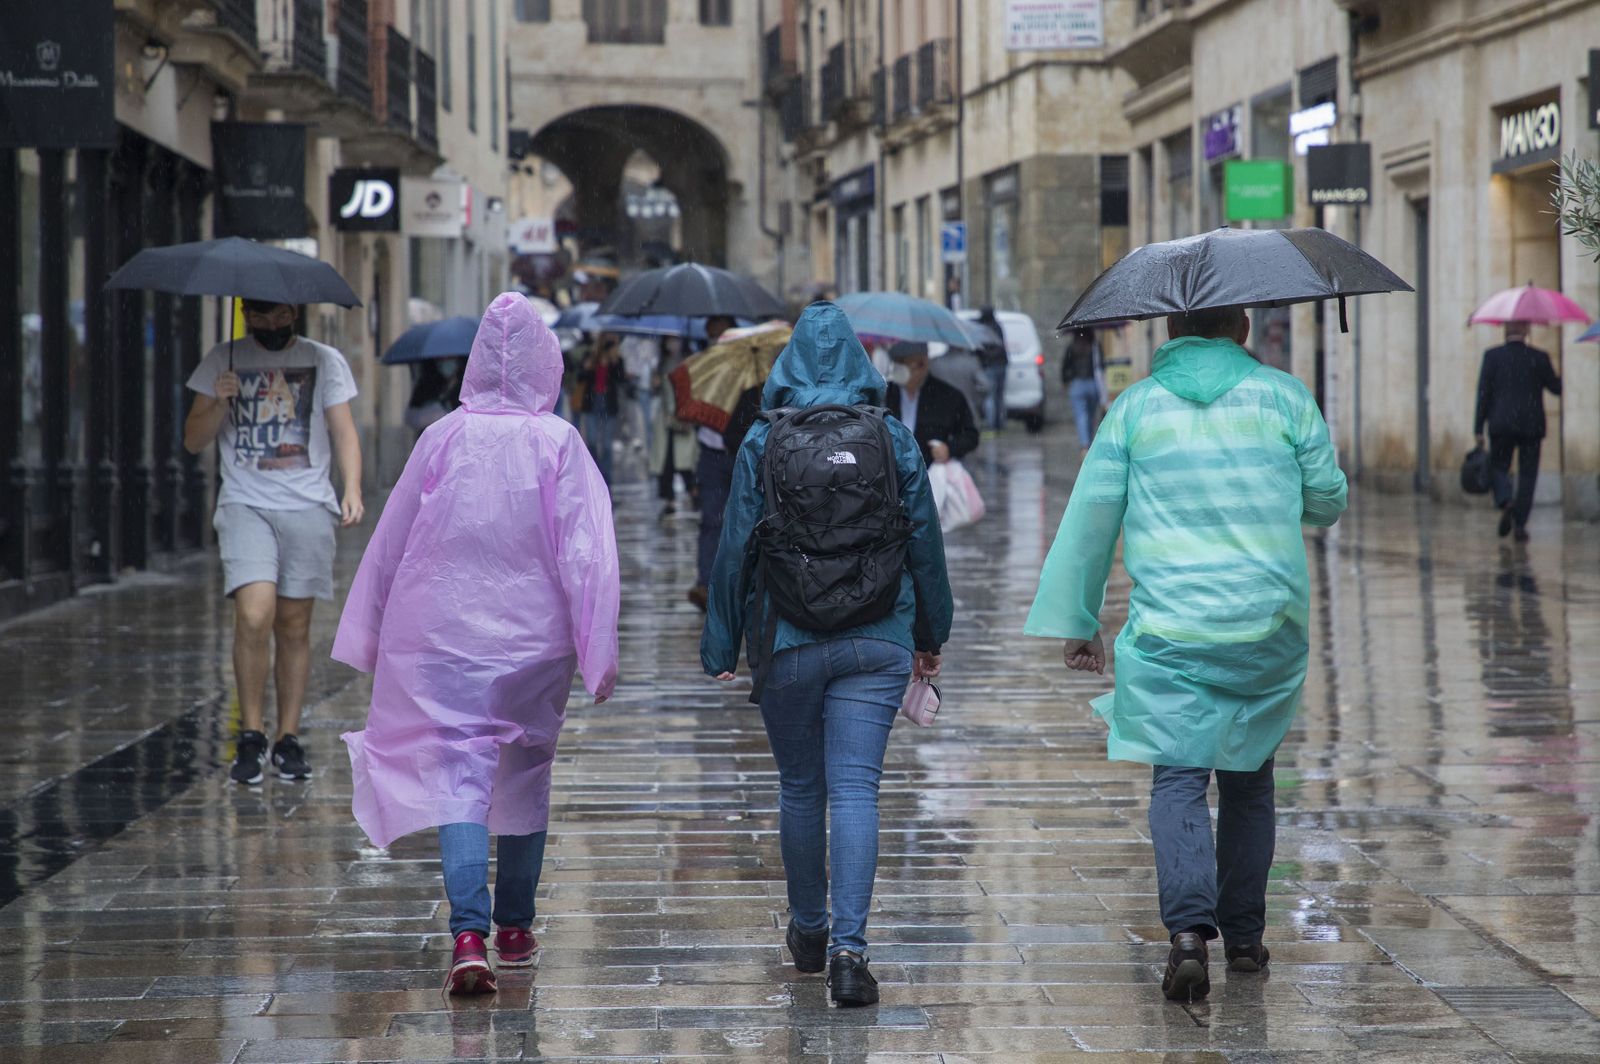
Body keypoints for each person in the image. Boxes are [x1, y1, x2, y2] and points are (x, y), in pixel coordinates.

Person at [1024, 305, 1346, 1004]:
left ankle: (1190, 935)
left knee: (1177, 779)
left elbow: (1092, 516)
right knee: (1249, 780)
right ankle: (1247, 939)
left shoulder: (1135, 409)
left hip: (1171, 627)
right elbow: (1326, 499)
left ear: (1169, 333)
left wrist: (1080, 619)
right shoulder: (1285, 397)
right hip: (1265, 623)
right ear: (1243, 330)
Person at [333, 293, 619, 995]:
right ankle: (515, 925)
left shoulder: (441, 438)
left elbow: (392, 540)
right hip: (534, 643)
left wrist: (367, 633)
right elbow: (589, 555)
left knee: (456, 777)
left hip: (444, 639)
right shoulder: (559, 443)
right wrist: (597, 653)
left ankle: (468, 933)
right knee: (524, 768)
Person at [701, 301, 953, 1006]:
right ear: (859, 361)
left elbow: (733, 549)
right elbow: (926, 544)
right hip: (878, 637)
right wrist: (930, 635)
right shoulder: (892, 437)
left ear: (788, 366)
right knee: (856, 789)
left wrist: (721, 641)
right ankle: (850, 952)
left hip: (787, 640)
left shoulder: (762, 441)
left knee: (801, 787)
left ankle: (809, 930)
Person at [183, 299, 363, 786]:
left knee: (294, 625)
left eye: (280, 315)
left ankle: (287, 737)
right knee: (254, 614)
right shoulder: (222, 360)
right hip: (246, 504)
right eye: (260, 316)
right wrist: (218, 401)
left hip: (308, 506)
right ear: (245, 313)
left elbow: (343, 430)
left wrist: (352, 488)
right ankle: (251, 733)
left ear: (295, 312)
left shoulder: (324, 359)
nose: (271, 324)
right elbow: (193, 439)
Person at [1474, 321, 1561, 543]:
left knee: (1499, 466)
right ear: (1526, 331)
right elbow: (1556, 388)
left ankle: (1506, 501)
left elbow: (1483, 393)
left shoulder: (1492, 356)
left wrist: (1478, 428)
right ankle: (1520, 524)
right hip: (1531, 426)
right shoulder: (1539, 357)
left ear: (1506, 331)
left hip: (1501, 424)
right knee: (1528, 475)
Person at [689, 315, 742, 609]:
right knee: (711, 520)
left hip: (739, 452)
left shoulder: (747, 369)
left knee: (742, 521)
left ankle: (738, 584)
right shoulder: (702, 367)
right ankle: (705, 583)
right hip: (710, 454)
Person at [885, 341, 980, 468]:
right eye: (896, 362)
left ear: (922, 364)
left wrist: (949, 449)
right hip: (892, 469)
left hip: (929, 471)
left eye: (903, 362)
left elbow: (970, 436)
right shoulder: (886, 393)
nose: (898, 368)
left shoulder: (948, 396)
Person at [653, 336, 699, 516]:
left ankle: (693, 492)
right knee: (667, 463)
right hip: (665, 421)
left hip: (683, 416)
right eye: (669, 340)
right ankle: (670, 499)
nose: (672, 344)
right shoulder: (662, 363)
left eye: (676, 340)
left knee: (685, 462)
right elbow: (659, 390)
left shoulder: (690, 362)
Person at [577, 332, 625, 485]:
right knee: (591, 440)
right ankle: (594, 472)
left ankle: (605, 477)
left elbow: (621, 379)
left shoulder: (617, 360)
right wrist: (589, 366)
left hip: (608, 404)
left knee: (606, 444)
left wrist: (613, 362)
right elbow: (580, 377)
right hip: (592, 402)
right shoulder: (590, 356)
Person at [1061, 328, 1106, 450]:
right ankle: (1089, 444)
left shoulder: (1072, 347)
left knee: (1081, 415)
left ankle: (1084, 445)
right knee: (1091, 417)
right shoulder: (1095, 346)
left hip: (1077, 385)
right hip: (1093, 385)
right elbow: (1101, 366)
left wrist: (1065, 381)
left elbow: (1065, 367)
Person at [927, 342, 990, 425]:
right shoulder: (971, 362)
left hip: (941, 411)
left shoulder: (934, 363)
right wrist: (975, 399)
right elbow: (986, 386)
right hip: (968, 410)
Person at [976, 306, 1009, 431]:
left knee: (990, 396)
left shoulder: (983, 329)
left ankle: (991, 426)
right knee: (999, 396)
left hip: (990, 365)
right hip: (1002, 364)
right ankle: (1000, 423)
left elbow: (981, 349)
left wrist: (981, 357)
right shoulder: (997, 327)